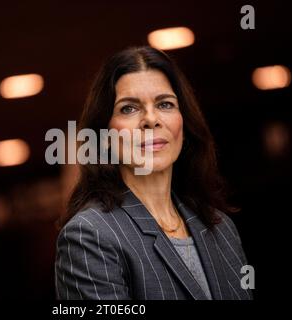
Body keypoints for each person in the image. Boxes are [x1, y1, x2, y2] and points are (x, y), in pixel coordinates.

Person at [54, 46, 252, 300]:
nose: (151, 119)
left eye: (165, 104)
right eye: (129, 108)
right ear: (103, 135)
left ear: (184, 122)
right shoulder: (88, 235)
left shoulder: (220, 228)